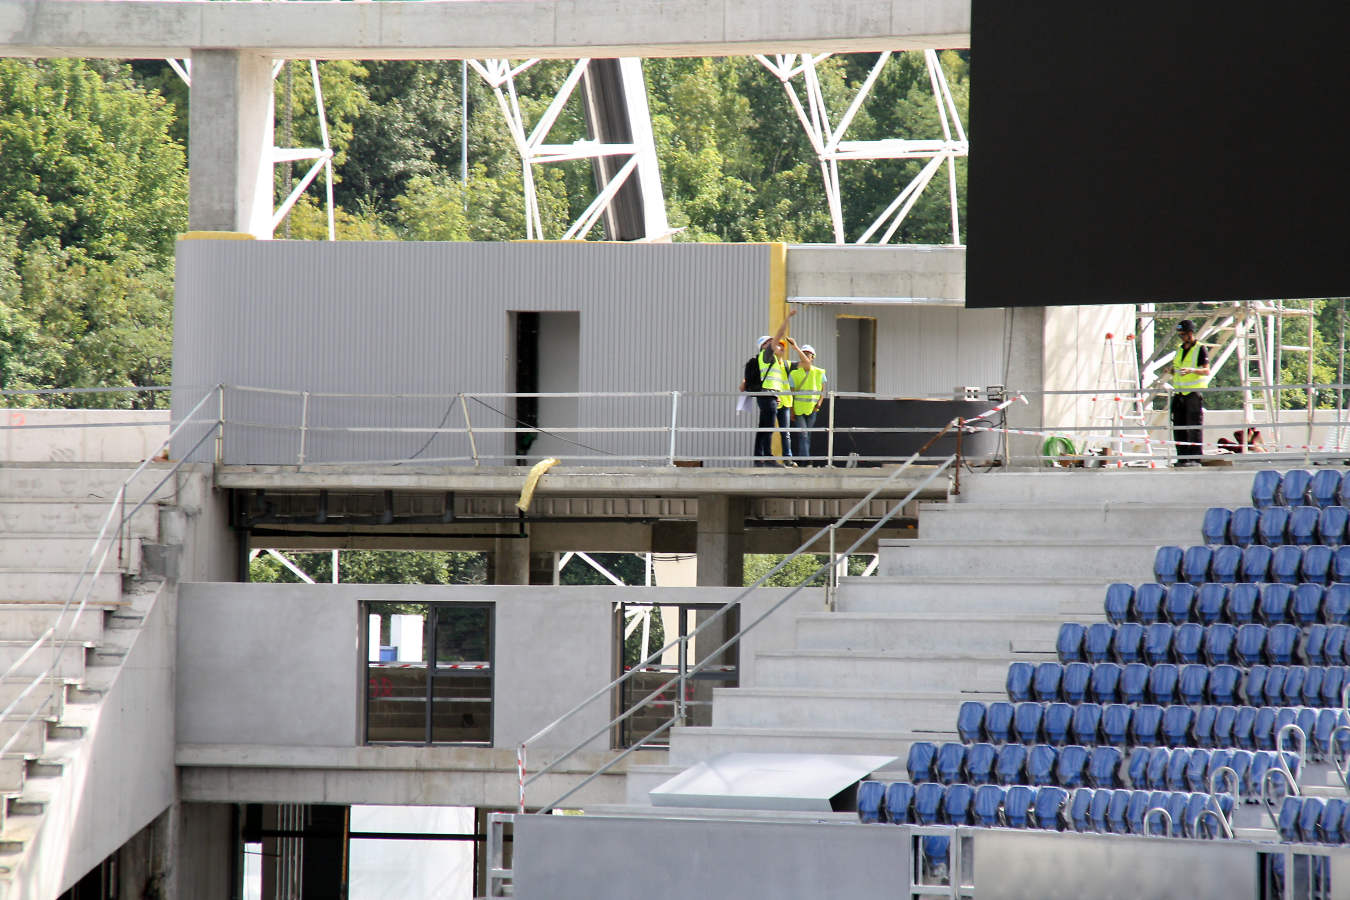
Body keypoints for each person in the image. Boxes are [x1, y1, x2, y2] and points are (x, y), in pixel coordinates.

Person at [740, 309, 797, 466]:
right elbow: (779, 334)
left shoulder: (772, 361)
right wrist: (786, 319)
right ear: (763, 346)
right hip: (767, 396)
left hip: (769, 396)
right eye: (769, 342)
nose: (774, 343)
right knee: (768, 427)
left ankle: (759, 459)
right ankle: (769, 458)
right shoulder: (766, 356)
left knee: (764, 427)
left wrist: (776, 395)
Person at [1170, 319, 1210, 466]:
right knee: (1179, 426)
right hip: (1179, 393)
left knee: (1193, 426)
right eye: (1179, 335)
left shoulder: (1200, 348)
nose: (1181, 338)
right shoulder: (1180, 349)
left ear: (1190, 333)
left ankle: (1194, 458)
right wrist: (1171, 371)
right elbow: (1177, 369)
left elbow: (1206, 370)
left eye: (1183, 335)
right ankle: (1182, 458)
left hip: (1193, 393)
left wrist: (1192, 370)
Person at [786, 338, 827, 466]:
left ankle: (805, 460)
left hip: (812, 409)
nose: (806, 355)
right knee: (803, 435)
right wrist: (792, 410)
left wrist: (819, 404)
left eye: (808, 353)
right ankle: (806, 460)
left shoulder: (819, 372)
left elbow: (822, 390)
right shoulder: (794, 373)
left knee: (807, 435)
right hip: (799, 409)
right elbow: (791, 393)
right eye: (805, 353)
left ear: (813, 356)